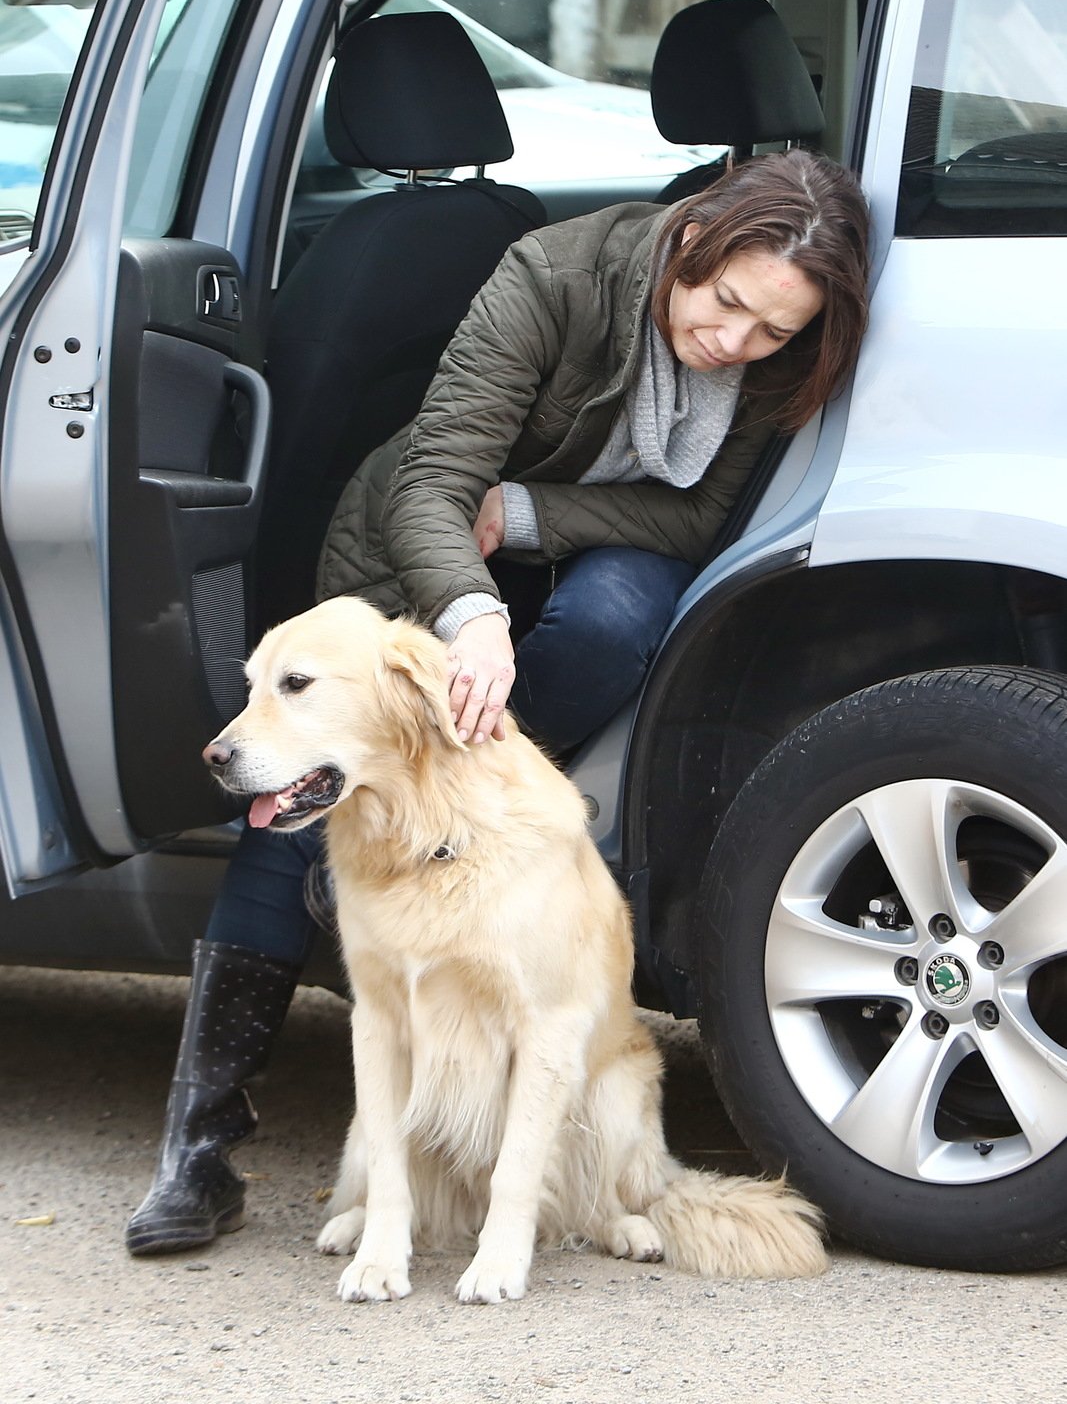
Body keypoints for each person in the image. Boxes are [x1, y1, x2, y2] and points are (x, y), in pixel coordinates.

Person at [125, 148, 871, 1256]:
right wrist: (469, 614)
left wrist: (527, 515)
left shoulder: (769, 361)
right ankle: (198, 1146)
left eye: (770, 332)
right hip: (414, 543)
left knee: (613, 623)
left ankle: (476, 829)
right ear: (691, 240)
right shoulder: (551, 274)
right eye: (722, 304)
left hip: (572, 531)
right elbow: (432, 481)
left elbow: (694, 520)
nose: (733, 343)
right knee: (304, 798)